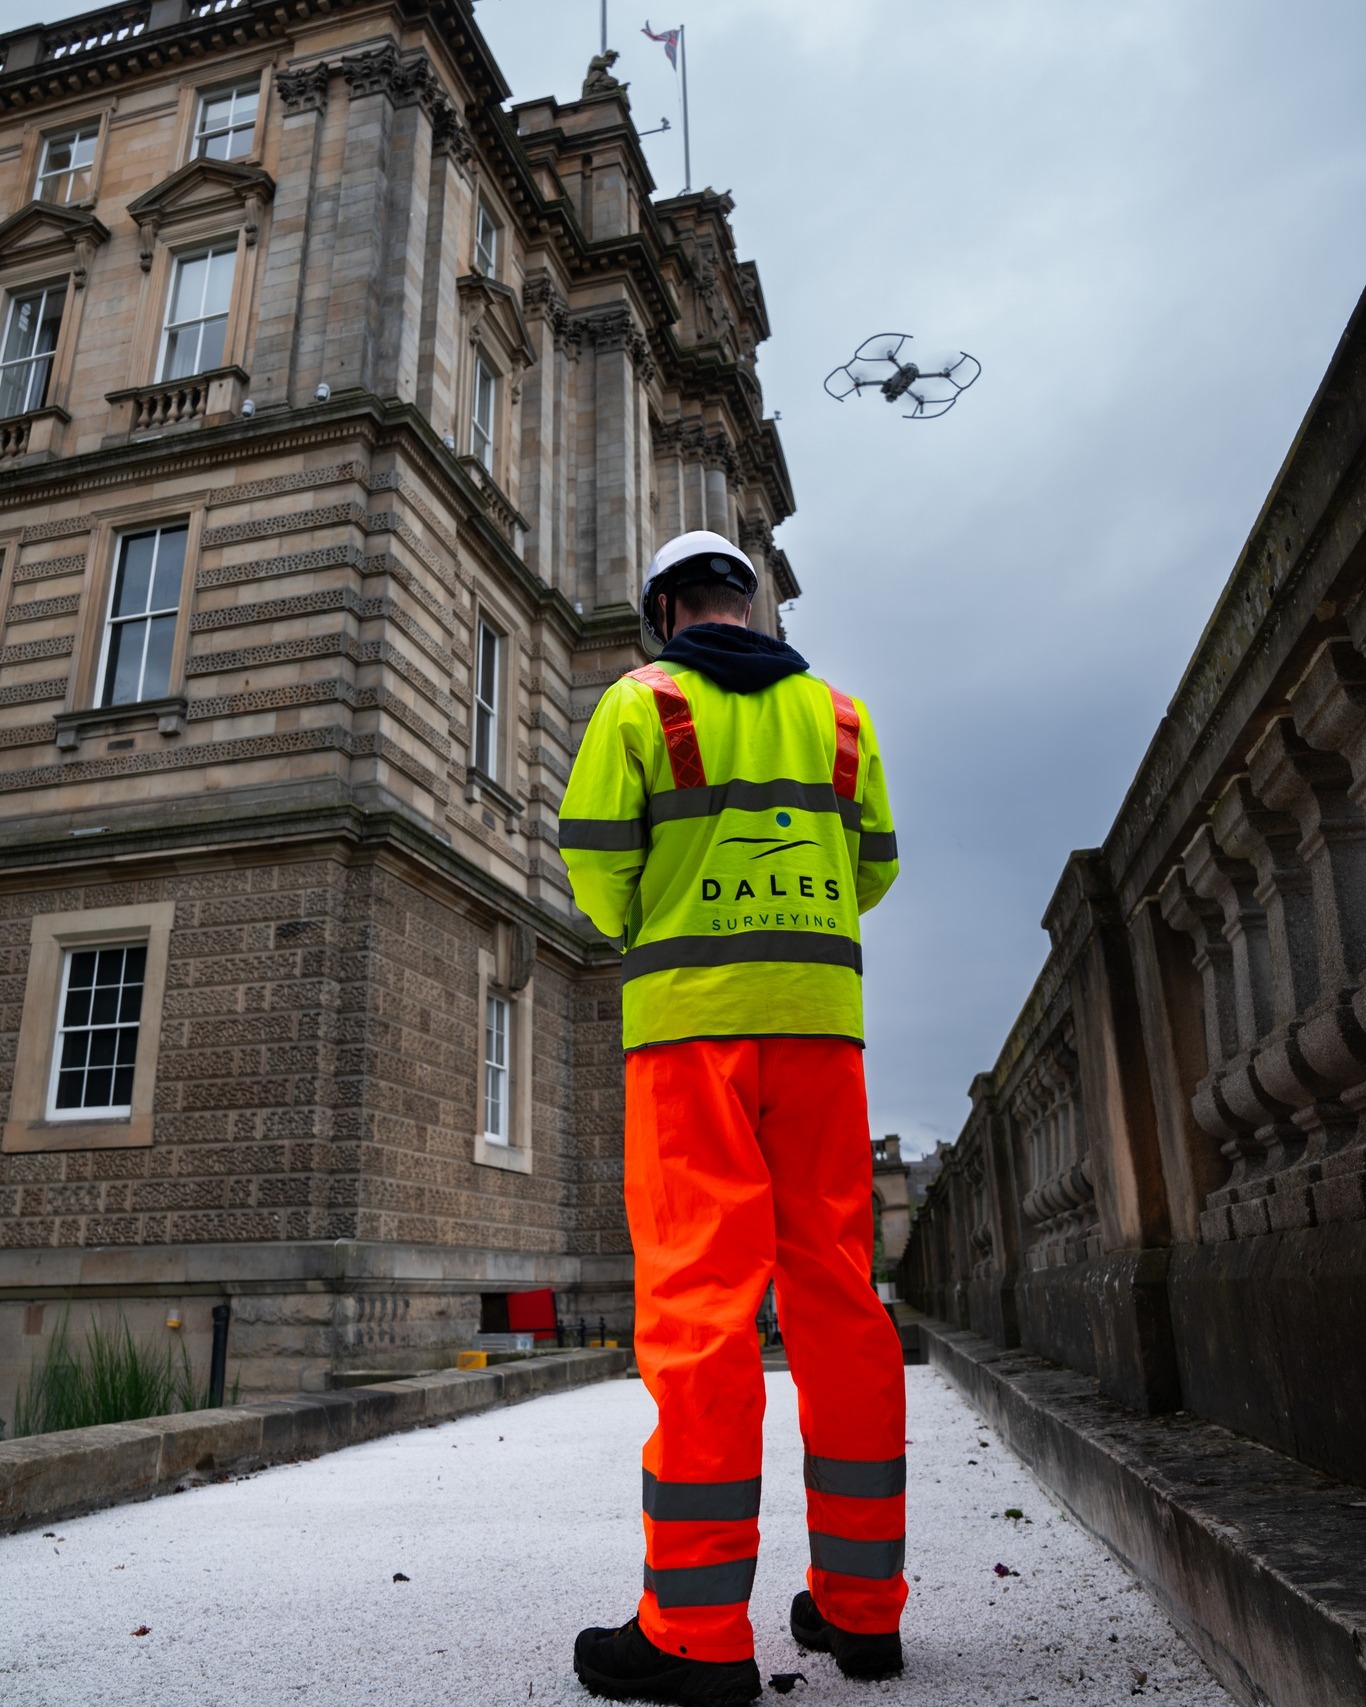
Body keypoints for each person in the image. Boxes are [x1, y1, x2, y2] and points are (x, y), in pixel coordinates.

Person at [559, 530, 906, 1705]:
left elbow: (597, 868)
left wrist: (661, 922)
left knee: (703, 1310)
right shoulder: (842, 717)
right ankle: (862, 1613)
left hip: (688, 1034)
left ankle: (696, 1636)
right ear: (749, 606)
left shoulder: (637, 703)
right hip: (820, 1031)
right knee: (842, 1301)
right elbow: (874, 872)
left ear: (666, 610)